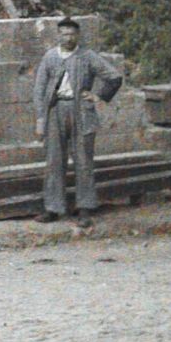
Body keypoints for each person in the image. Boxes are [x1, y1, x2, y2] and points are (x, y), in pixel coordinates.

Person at [31, 16, 124, 225]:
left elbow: (114, 77)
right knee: (54, 160)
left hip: (81, 111)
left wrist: (98, 95)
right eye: (64, 33)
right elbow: (39, 90)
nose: (68, 37)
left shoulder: (87, 56)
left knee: (83, 160)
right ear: (58, 35)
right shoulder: (49, 57)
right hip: (56, 110)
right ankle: (53, 208)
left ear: (78, 35)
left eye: (72, 33)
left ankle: (85, 209)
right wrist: (40, 117)